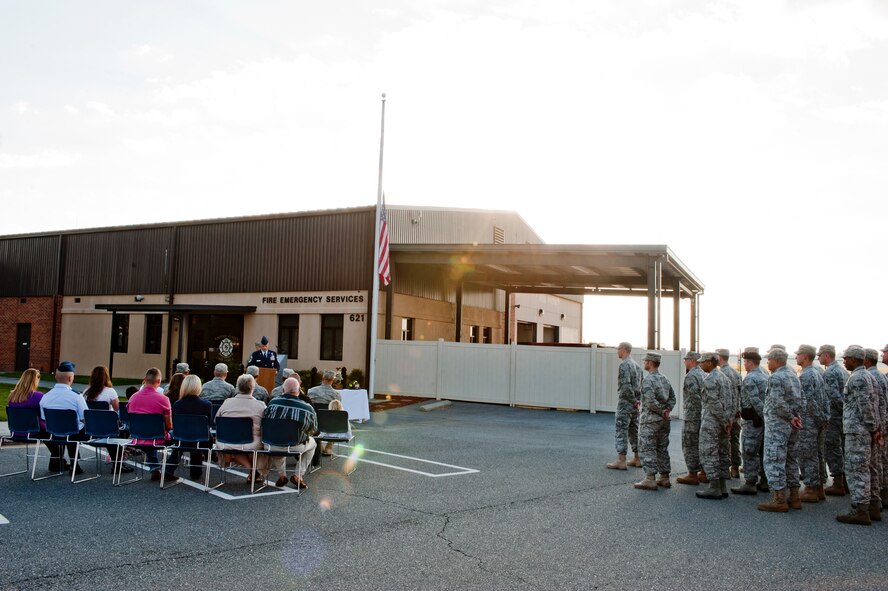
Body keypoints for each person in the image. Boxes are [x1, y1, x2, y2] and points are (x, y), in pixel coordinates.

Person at [836, 346, 882, 525]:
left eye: (846, 358)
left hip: (858, 431)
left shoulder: (858, 378)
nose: (844, 361)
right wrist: (875, 428)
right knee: (868, 468)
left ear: (854, 359)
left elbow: (866, 406)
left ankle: (860, 510)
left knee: (857, 470)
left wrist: (872, 427)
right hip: (864, 430)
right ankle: (873, 507)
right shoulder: (867, 376)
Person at [757, 348, 803, 513]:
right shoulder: (793, 375)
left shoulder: (776, 377)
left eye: (769, 359)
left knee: (774, 459)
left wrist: (790, 416)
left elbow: (777, 402)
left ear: (776, 360)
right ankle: (795, 497)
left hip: (778, 426)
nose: (767, 362)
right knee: (791, 460)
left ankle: (779, 500)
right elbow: (801, 399)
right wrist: (796, 417)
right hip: (792, 426)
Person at [263, 377, 317, 488]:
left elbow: (265, 421)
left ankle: (282, 475)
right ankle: (298, 475)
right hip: (294, 445)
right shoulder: (307, 408)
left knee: (277, 439)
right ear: (298, 391)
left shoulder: (272, 403)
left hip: (271, 445)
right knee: (313, 443)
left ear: (282, 390)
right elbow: (313, 429)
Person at [633, 352, 675, 490]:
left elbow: (650, 401)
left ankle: (650, 478)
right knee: (662, 448)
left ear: (650, 363)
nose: (644, 363)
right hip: (664, 421)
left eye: (646, 361)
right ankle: (664, 477)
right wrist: (666, 410)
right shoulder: (665, 379)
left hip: (650, 421)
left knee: (648, 447)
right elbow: (672, 398)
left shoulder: (648, 380)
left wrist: (660, 410)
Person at [39, 361, 89, 474]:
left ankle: (57, 461)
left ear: (56, 377)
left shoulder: (46, 397)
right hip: (73, 434)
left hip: (53, 433)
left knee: (69, 429)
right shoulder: (77, 397)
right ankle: (74, 463)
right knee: (77, 428)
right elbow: (85, 418)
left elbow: (44, 417)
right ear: (70, 378)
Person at [216, 374, 268, 482]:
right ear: (253, 388)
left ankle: (252, 470)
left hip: (226, 442)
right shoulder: (260, 405)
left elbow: (216, 420)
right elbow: (266, 424)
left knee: (236, 445)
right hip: (251, 443)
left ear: (237, 388)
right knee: (261, 444)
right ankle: (254, 470)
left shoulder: (227, 403)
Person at [731, 347, 769, 495]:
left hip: (753, 420)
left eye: (745, 362)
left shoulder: (751, 378)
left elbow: (755, 401)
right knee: (762, 450)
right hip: (761, 420)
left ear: (751, 363)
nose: (744, 364)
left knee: (749, 451)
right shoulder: (765, 375)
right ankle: (764, 480)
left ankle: (750, 482)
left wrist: (762, 416)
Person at [695, 352, 733, 500]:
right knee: (722, 453)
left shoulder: (710, 379)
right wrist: (728, 420)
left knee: (709, 452)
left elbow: (713, 403)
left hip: (712, 422)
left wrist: (724, 420)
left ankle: (714, 487)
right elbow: (731, 401)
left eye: (702, 362)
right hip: (723, 423)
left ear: (709, 363)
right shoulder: (725, 377)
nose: (700, 364)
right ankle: (722, 487)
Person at [128, 367, 176, 482]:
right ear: (159, 382)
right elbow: (169, 426)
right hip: (158, 437)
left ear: (145, 379)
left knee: (149, 433)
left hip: (137, 437)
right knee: (179, 437)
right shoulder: (163, 399)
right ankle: (169, 469)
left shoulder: (133, 398)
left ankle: (155, 468)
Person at [795, 345, 829, 503]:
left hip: (809, 421)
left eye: (798, 355)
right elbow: (825, 398)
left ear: (805, 356)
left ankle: (810, 489)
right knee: (817, 454)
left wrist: (818, 418)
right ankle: (819, 487)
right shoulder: (817, 372)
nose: (796, 357)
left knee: (807, 455)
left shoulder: (806, 376)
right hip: (817, 420)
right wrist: (824, 418)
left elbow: (809, 402)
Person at [820, 344, 850, 496]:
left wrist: (840, 411)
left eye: (820, 355)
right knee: (842, 448)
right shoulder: (842, 371)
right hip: (842, 416)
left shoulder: (831, 372)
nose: (818, 357)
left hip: (834, 416)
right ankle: (844, 481)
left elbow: (833, 397)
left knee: (832, 448)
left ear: (827, 355)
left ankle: (839, 482)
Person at [606, 342, 642, 470]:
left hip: (626, 403)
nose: (617, 351)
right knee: (634, 430)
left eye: (619, 349)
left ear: (624, 350)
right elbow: (640, 386)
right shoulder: (637, 366)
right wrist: (637, 401)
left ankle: (621, 460)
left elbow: (626, 387)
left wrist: (632, 400)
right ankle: (637, 458)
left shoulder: (624, 365)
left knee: (621, 429)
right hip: (635, 404)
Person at [171, 374, 212, 480]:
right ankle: (196, 470)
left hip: (181, 437)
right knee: (201, 435)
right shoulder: (206, 404)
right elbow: (208, 423)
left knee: (182, 441)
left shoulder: (177, 404)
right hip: (200, 438)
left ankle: (168, 469)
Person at [863, 348, 886, 520]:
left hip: (875, 426)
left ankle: (877, 499)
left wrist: (875, 428)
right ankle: (878, 499)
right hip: (879, 424)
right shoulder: (879, 375)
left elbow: (872, 406)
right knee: (877, 462)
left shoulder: (872, 377)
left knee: (875, 463)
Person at [677, 352, 706, 485]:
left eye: (686, 359)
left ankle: (692, 474)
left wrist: (696, 412)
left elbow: (695, 398)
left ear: (692, 360)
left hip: (692, 416)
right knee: (701, 443)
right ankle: (704, 472)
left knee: (690, 444)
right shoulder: (704, 374)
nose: (685, 362)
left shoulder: (691, 375)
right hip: (702, 416)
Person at [716, 349, 742, 478]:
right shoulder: (736, 373)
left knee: (724, 442)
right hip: (736, 413)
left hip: (727, 414)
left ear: (720, 358)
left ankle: (724, 469)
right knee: (735, 441)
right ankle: (735, 468)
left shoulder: (721, 374)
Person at [8, 368, 46, 438]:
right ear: (35, 380)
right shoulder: (38, 396)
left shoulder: (12, 396)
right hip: (33, 432)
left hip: (15, 432)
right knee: (53, 432)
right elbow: (44, 416)